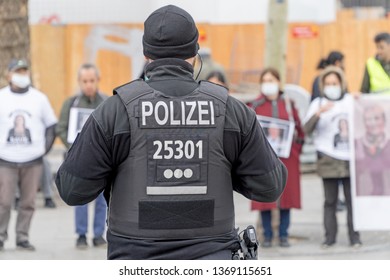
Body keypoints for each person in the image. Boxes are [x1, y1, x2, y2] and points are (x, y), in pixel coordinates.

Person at [55, 5, 287, 260]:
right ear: (194, 52)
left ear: (146, 53)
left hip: (134, 259)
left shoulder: (114, 112)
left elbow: (71, 188)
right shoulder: (231, 111)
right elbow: (270, 186)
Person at [0, 59, 57, 251]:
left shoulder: (39, 98)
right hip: (6, 161)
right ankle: (1, 236)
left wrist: (44, 150)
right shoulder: (2, 97)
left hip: (33, 161)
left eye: (24, 71)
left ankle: (22, 237)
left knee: (28, 202)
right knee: (4, 201)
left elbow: (51, 125)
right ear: (9, 75)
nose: (21, 75)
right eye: (17, 71)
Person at [303, 66, 362, 248]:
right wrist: (318, 114)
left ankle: (355, 238)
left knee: (352, 202)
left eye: (334, 83)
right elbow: (306, 130)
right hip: (328, 159)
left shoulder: (350, 100)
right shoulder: (317, 103)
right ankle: (330, 238)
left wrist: (362, 101)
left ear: (341, 83)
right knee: (330, 201)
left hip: (350, 160)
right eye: (328, 84)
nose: (331, 86)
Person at [248, 67, 304, 248]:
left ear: (279, 82)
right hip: (262, 159)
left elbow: (299, 129)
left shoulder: (288, 103)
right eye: (265, 80)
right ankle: (267, 234)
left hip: (286, 158)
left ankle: (283, 235)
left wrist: (295, 144)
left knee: (286, 198)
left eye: (271, 80)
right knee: (264, 197)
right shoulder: (254, 105)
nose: (268, 84)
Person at [56, 63, 108, 249]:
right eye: (85, 81)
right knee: (81, 199)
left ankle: (98, 235)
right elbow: (61, 128)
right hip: (78, 161)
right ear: (79, 82)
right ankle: (80, 235)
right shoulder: (71, 104)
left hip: (101, 161)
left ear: (97, 81)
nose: (88, 85)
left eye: (92, 81)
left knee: (103, 199)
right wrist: (75, 147)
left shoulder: (107, 103)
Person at [355, 104, 390, 196]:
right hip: (367, 198)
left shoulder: (388, 143)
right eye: (368, 119)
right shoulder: (358, 143)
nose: (373, 123)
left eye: (377, 118)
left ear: (384, 120)